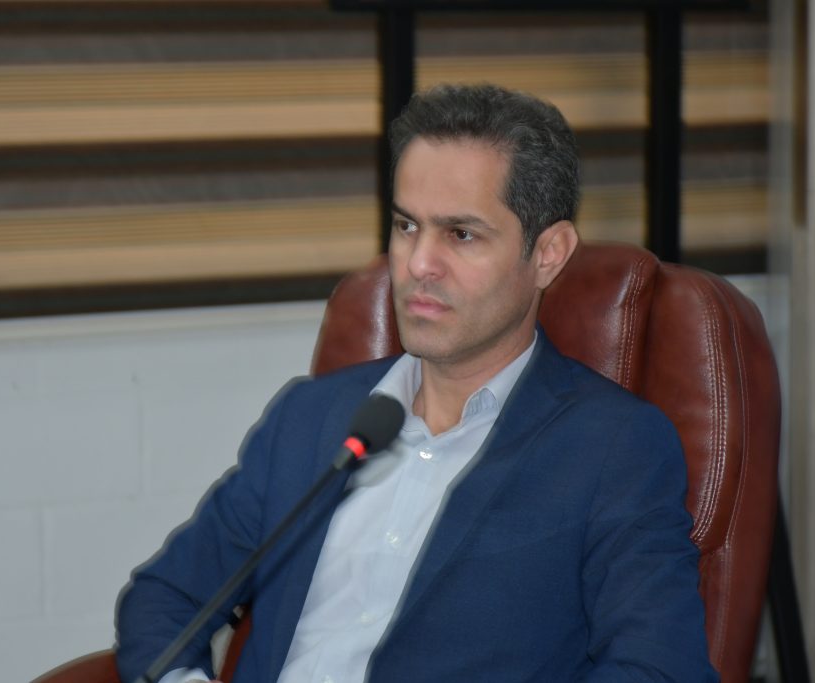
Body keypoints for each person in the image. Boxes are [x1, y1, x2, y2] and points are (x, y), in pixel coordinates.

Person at [115, 83, 717, 683]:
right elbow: (166, 597)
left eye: (461, 234)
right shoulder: (310, 417)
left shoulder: (614, 449)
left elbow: (660, 670)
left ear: (548, 254)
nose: (418, 264)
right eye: (407, 226)